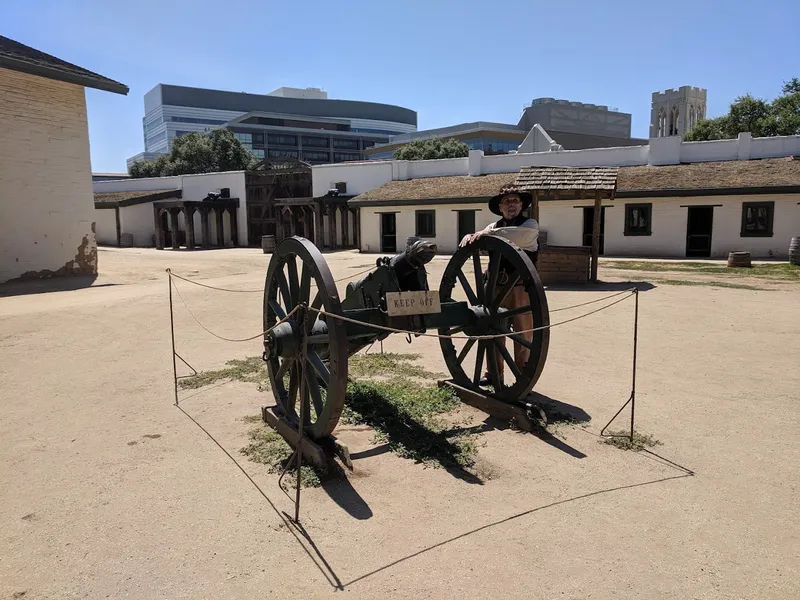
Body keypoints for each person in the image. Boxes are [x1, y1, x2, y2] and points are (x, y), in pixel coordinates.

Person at [459, 186, 539, 386]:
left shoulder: (529, 225)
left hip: (520, 286)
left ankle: (523, 376)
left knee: (522, 332)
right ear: (500, 207)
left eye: (515, 201)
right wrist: (475, 236)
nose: (512, 204)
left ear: (521, 205)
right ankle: (494, 373)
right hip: (496, 286)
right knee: (493, 330)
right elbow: (484, 239)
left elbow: (512, 235)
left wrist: (482, 234)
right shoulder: (492, 226)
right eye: (507, 201)